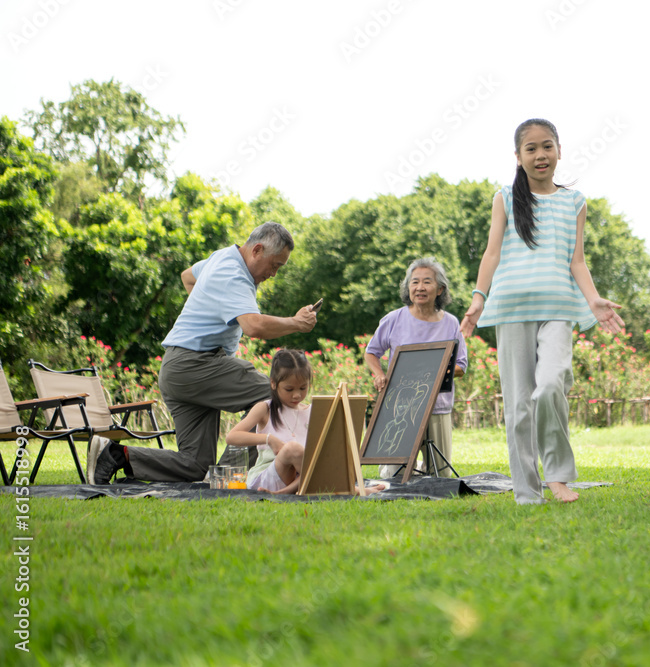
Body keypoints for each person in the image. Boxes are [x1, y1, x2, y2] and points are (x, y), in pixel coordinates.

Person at [460, 119, 624, 505]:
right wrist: (479, 297)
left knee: (551, 384)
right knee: (519, 406)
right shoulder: (505, 198)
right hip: (511, 308)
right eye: (531, 149)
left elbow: (577, 260)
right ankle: (527, 493)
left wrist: (593, 300)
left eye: (547, 146)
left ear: (559, 151)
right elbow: (492, 253)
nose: (540, 155)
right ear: (518, 157)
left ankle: (558, 476)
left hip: (558, 307)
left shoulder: (574, 202)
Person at [88, 221, 317, 485]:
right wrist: (296, 323)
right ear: (257, 250)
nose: (274, 274)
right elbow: (253, 326)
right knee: (273, 393)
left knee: (195, 464)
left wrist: (207, 307)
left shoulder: (221, 257)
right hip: (196, 364)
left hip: (177, 370)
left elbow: (188, 276)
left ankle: (116, 455)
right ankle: (227, 479)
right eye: (275, 265)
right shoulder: (234, 275)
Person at [226, 349, 385, 495]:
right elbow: (232, 437)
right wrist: (269, 439)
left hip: (301, 478)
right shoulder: (265, 408)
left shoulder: (311, 411)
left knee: (323, 457)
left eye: (303, 388)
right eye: (289, 389)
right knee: (292, 449)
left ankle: (287, 492)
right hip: (268, 477)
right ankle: (350, 490)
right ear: (273, 383)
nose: (297, 395)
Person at [365, 257, 468, 478]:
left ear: (440, 289)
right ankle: (406, 468)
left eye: (427, 282)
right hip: (401, 406)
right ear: (408, 287)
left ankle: (421, 470)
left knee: (441, 476)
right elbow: (371, 352)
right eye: (414, 282)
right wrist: (379, 375)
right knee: (394, 475)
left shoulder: (451, 323)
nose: (420, 287)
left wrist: (435, 371)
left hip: (438, 406)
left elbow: (461, 365)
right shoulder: (394, 319)